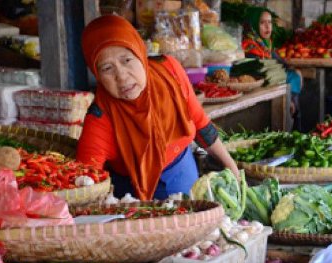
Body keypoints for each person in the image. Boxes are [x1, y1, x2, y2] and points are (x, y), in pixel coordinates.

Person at [77, 15, 239, 201]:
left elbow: (201, 126)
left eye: (127, 60)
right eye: (107, 68)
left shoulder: (169, 72)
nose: (121, 77)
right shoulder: (99, 118)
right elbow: (85, 183)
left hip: (182, 173)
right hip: (132, 197)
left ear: (140, 53)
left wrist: (232, 169)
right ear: (96, 74)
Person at [241, 7, 301, 119]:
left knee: (296, 75)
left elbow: (279, 62)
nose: (267, 26)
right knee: (294, 77)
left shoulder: (264, 44)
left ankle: (293, 108)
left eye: (269, 22)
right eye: (262, 23)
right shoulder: (250, 47)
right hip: (261, 86)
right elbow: (260, 73)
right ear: (253, 24)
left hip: (271, 82)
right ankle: (292, 108)